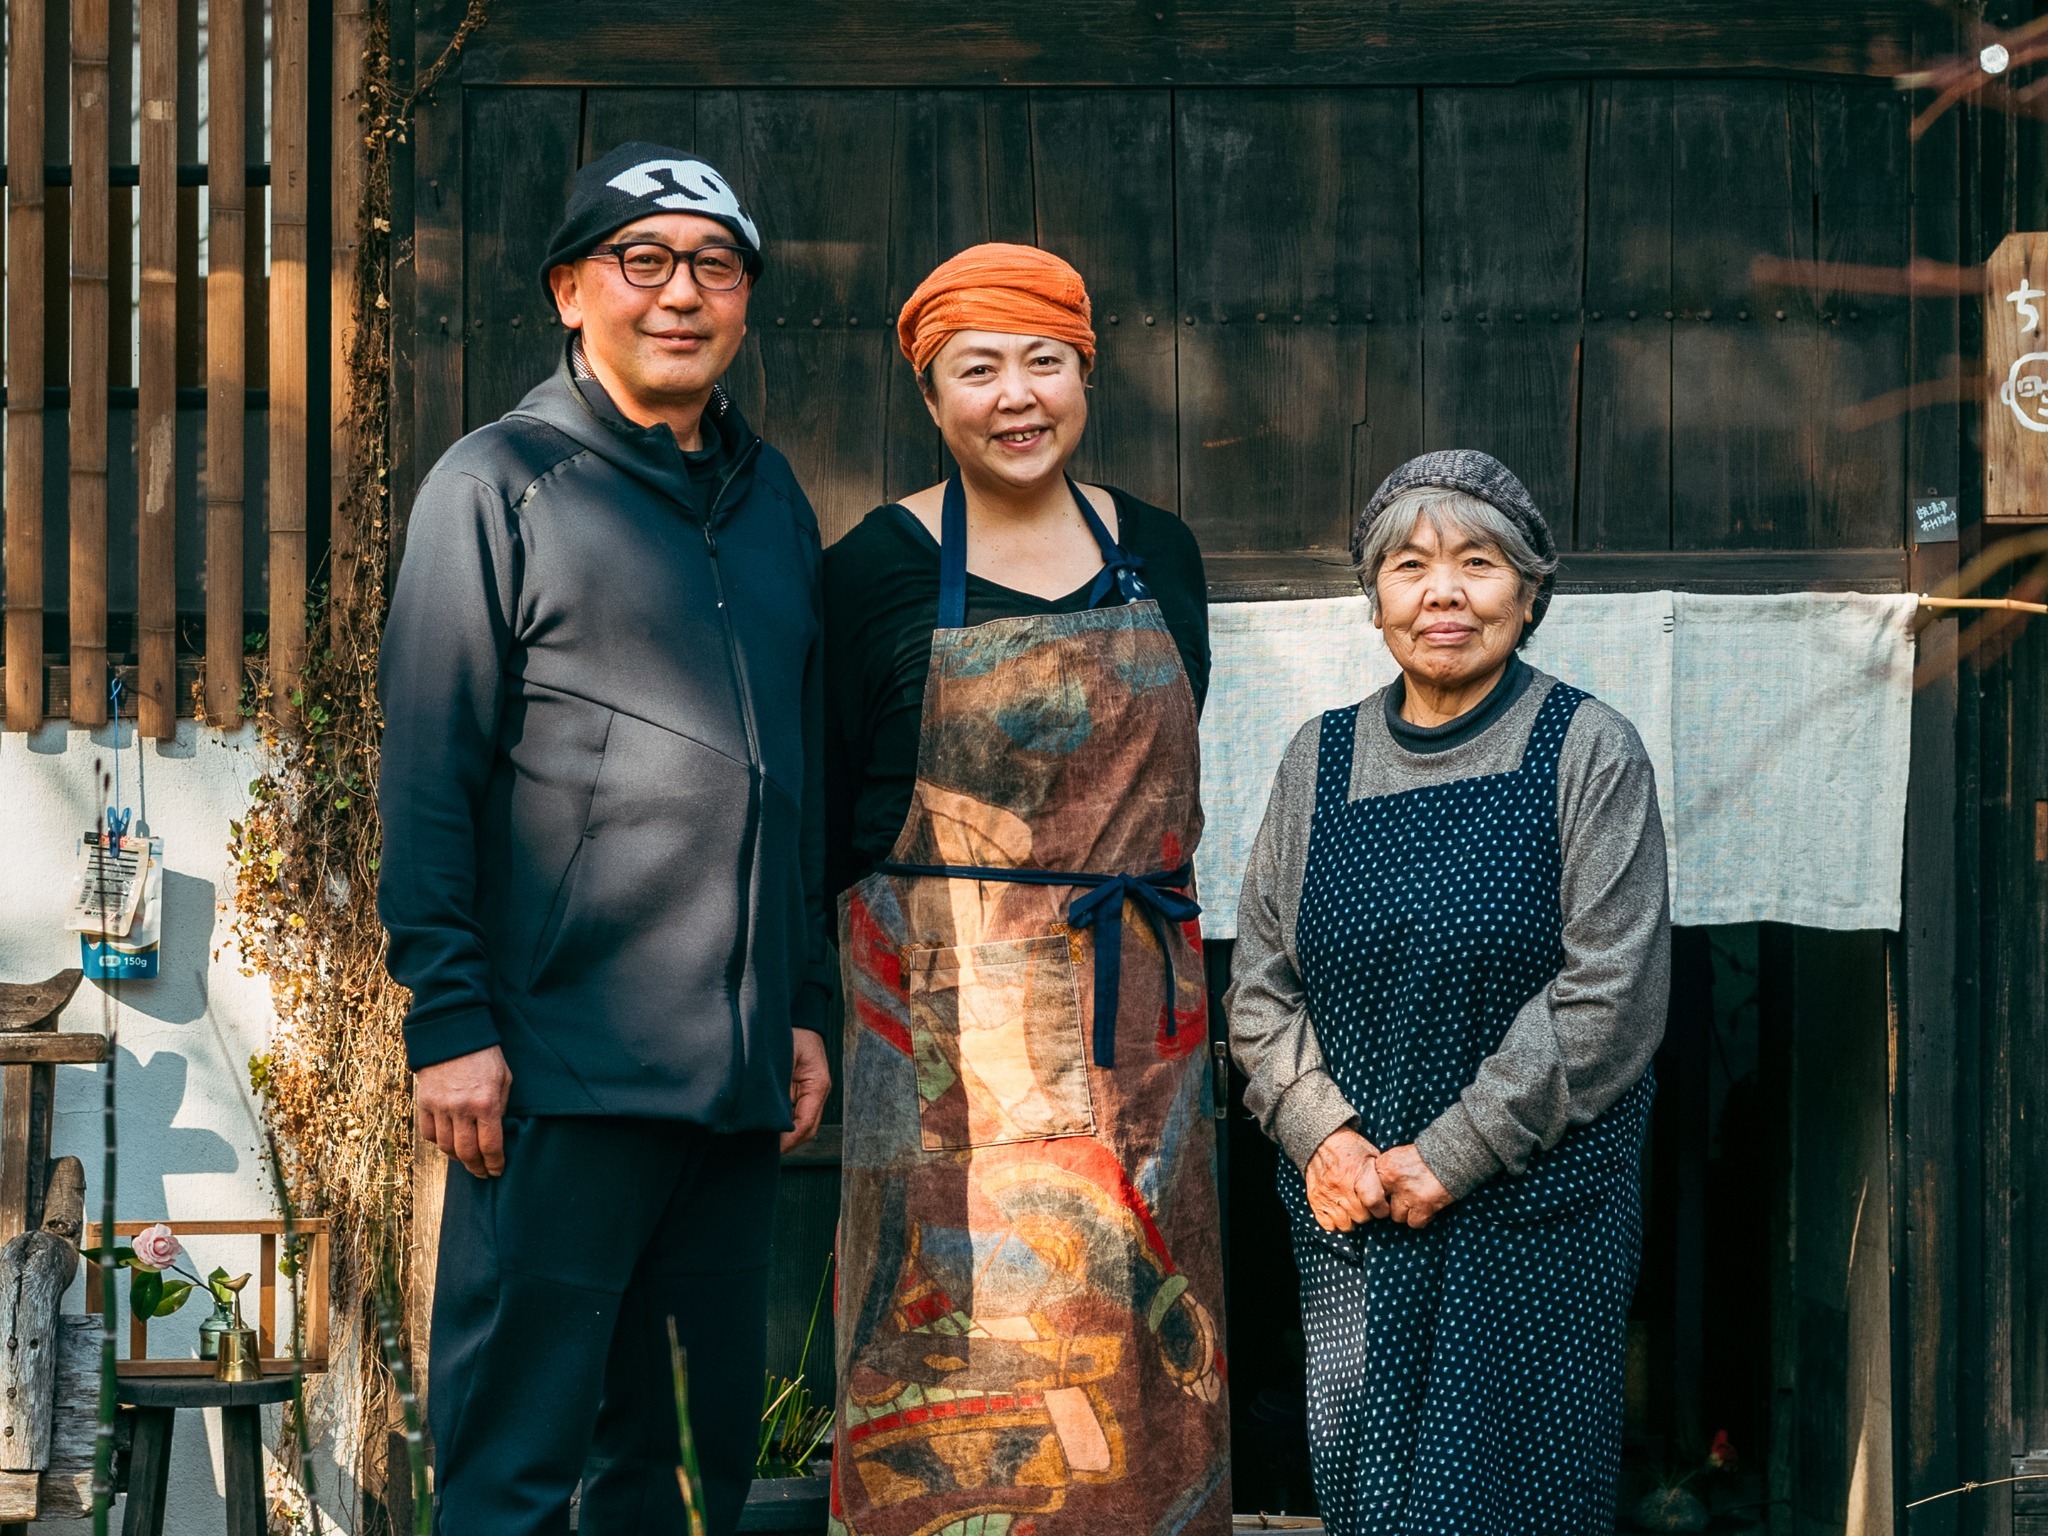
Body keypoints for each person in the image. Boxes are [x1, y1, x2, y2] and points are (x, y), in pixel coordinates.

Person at [377, 142, 833, 1536]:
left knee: (684, 1476)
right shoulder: (495, 485)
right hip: (556, 1077)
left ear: (744, 301)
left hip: (731, 1088)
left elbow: (795, 778)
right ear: (571, 293)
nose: (680, 294)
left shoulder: (773, 501)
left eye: (715, 266)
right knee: (513, 1470)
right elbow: (430, 772)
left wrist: (802, 1007)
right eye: (643, 261)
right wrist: (449, 1022)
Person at [823, 243, 1230, 1536]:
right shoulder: (874, 569)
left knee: (1143, 1368)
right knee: (951, 1360)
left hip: (1143, 1040)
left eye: (1043, 362)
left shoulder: (1158, 548)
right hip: (944, 1047)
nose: (1016, 396)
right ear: (930, 395)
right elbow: (828, 817)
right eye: (978, 369)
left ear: (1084, 376)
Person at [1227, 450, 1670, 1536]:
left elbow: (1609, 994)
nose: (1443, 594)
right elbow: (1260, 989)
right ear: (1373, 598)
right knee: (1371, 1501)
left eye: (1478, 563)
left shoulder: (1587, 749)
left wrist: (1451, 1154)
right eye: (1410, 566)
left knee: (1511, 1501)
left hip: (1531, 1212)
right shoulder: (1317, 759)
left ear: (1528, 593)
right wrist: (1322, 1136)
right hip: (1361, 1213)